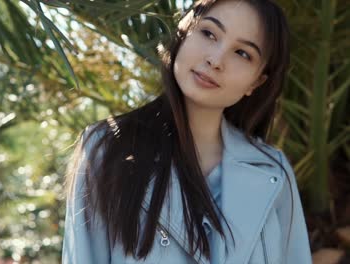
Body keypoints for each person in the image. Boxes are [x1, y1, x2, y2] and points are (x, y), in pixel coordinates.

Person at [62, 0, 312, 263]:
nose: (216, 60)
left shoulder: (272, 171)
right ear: (182, 32)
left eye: (242, 53)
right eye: (208, 33)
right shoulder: (107, 147)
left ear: (257, 81)